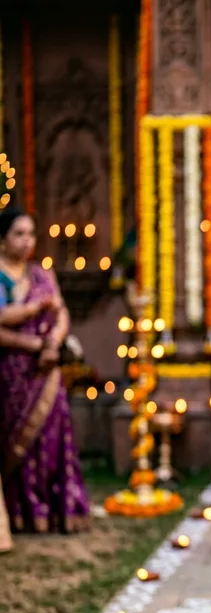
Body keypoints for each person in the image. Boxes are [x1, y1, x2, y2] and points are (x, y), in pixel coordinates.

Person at [0, 209, 90, 533]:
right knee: (18, 441)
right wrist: (32, 328)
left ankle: (54, 511)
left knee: (53, 440)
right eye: (18, 234)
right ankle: (22, 512)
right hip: (11, 371)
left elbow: (61, 311)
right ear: (3, 239)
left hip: (46, 369)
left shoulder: (42, 274)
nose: (26, 242)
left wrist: (52, 341)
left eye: (30, 234)